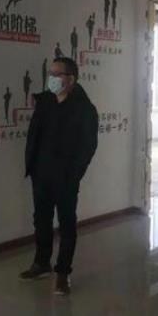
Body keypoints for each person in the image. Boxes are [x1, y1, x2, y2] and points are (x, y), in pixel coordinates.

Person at [21, 57, 99, 295]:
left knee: (66, 223)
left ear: (71, 79)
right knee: (41, 220)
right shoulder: (45, 102)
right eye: (51, 73)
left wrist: (74, 174)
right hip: (41, 173)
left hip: (66, 177)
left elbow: (88, 146)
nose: (52, 78)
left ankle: (63, 272)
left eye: (57, 74)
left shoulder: (84, 109)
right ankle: (41, 263)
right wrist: (32, 165)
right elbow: (35, 133)